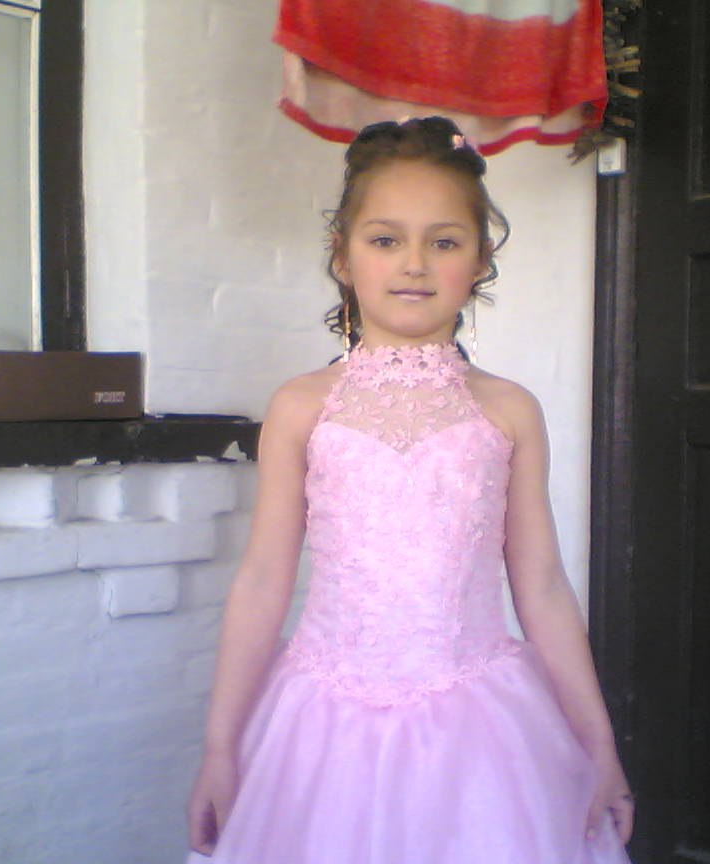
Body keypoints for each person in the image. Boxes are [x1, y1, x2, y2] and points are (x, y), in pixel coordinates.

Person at [186, 116, 634, 863]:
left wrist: (600, 744)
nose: (415, 264)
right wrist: (219, 747)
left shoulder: (508, 410)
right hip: (324, 724)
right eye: (386, 239)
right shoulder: (301, 407)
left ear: (480, 259)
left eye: (445, 242)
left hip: (479, 729)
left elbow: (544, 586)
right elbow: (263, 579)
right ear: (343, 254)